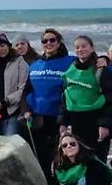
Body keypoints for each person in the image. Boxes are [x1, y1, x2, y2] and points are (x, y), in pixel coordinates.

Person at [22, 28, 75, 176]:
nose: (48, 43)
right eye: (45, 41)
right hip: (37, 118)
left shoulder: (70, 62)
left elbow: (88, 60)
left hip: (59, 117)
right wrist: (25, 110)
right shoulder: (34, 65)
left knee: (61, 157)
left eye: (52, 40)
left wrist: (105, 59)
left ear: (59, 43)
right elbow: (26, 91)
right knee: (40, 158)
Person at [58, 35, 112, 158]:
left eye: (84, 46)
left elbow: (110, 98)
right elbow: (65, 96)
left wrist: (104, 124)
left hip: (96, 119)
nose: (80, 49)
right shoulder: (71, 69)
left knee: (98, 159)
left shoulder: (101, 70)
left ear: (92, 48)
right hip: (77, 121)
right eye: (77, 47)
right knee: (80, 158)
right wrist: (63, 122)